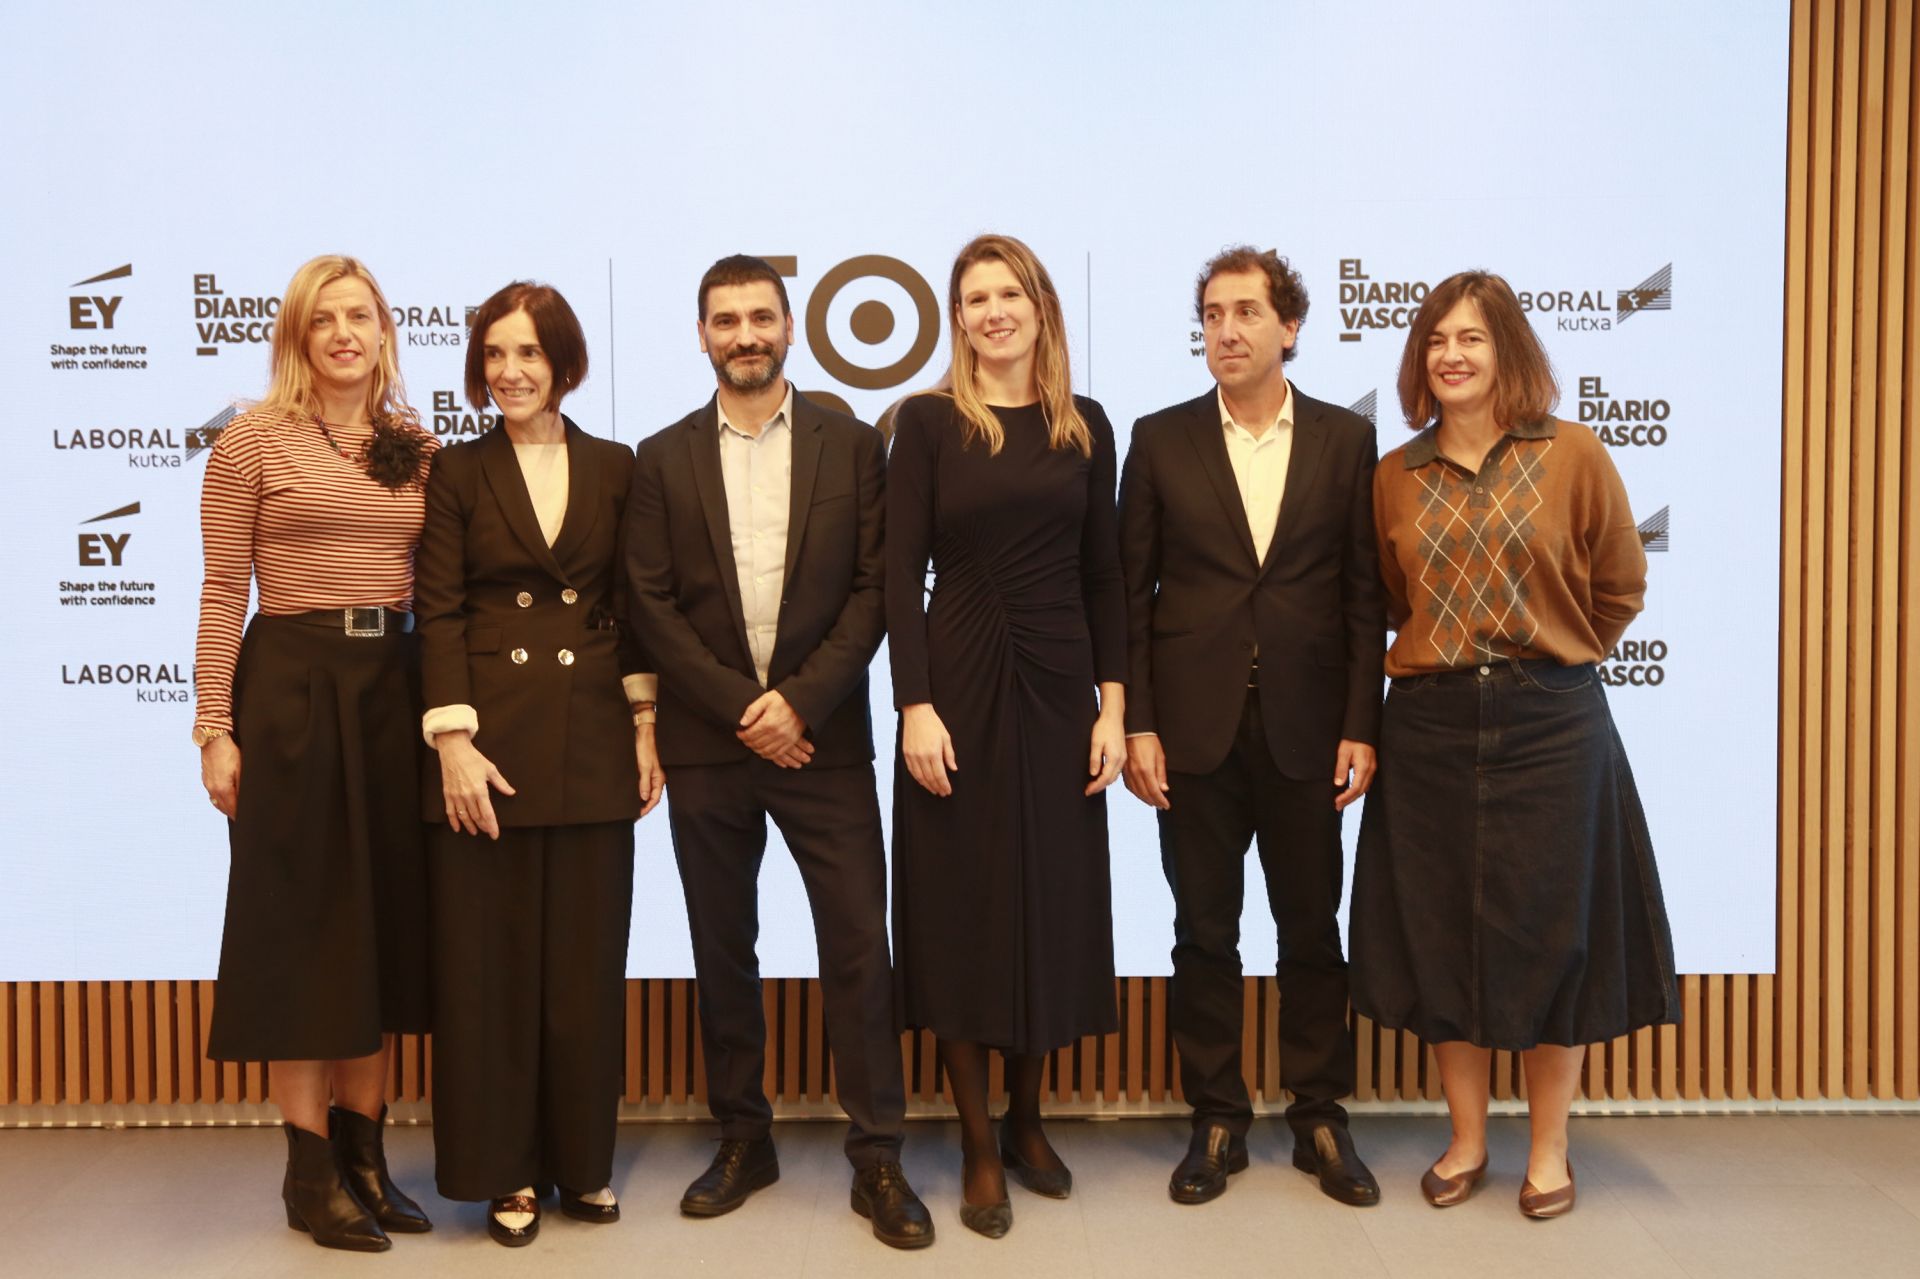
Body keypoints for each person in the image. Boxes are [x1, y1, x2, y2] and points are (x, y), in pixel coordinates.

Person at [1348, 269, 1678, 1218]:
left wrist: (1550, 656)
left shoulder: (1573, 453)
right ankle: (1464, 1140)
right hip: (1431, 727)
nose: (1452, 355)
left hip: (1552, 724)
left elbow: (1618, 586)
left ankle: (1548, 1149)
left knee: (1550, 938)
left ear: (1509, 354)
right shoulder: (1394, 473)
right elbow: (1386, 597)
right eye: (1437, 340)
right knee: (1444, 934)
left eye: (1473, 339)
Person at [623, 254, 932, 1250]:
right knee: (724, 949)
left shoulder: (851, 445)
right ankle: (742, 1136)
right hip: (709, 748)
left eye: (760, 316)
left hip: (825, 740)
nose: (744, 333)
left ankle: (877, 1153)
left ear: (790, 327)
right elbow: (653, 606)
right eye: (726, 319)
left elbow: (879, 585)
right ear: (703, 333)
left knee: (856, 948)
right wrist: (742, 708)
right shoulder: (660, 457)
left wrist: (797, 703)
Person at [1117, 246, 1384, 1208]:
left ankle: (1320, 1115)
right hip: (1191, 732)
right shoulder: (1158, 438)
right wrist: (1138, 724)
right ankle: (1217, 1116)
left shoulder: (1348, 443)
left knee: (1313, 930)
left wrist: (1364, 723)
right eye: (1212, 315)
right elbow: (1130, 597)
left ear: (1290, 326)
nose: (1225, 330)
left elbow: (1365, 598)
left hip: (1310, 728)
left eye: (1245, 312)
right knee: (1203, 933)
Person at [193, 254, 437, 1252]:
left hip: (393, 687)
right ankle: (307, 1171)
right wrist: (215, 726)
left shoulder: (416, 447)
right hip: (291, 684)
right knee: (303, 931)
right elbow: (220, 590)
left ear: (385, 332)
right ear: (296, 335)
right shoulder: (249, 444)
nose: (345, 332)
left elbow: (436, 587)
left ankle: (366, 1156)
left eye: (362, 316)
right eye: (324, 318)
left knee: (379, 923)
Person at [887, 233, 1126, 1239]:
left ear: (1040, 307)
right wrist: (914, 704)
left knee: (1051, 901)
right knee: (962, 906)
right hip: (960, 680)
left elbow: (1106, 575)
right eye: (974, 297)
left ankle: (1029, 1118)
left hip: (1063, 686)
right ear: (960, 318)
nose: (992, 311)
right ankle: (979, 1142)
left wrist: (1113, 707)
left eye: (1008, 293)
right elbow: (898, 573)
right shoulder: (930, 423)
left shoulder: (1087, 425)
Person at [413, 282, 660, 1247]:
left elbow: (635, 604)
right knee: (491, 974)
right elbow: (438, 610)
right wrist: (453, 739)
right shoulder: (457, 471)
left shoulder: (616, 465)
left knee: (586, 970)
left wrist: (645, 725)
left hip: (594, 736)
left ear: (564, 362)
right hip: (490, 748)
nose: (510, 371)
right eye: (494, 354)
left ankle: (582, 1167)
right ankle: (504, 1172)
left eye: (529, 353)